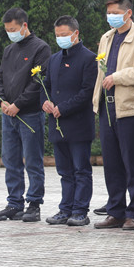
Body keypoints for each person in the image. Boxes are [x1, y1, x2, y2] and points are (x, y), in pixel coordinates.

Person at [93, 0, 134, 231]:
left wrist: (118, 77)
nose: (111, 17)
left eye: (116, 13)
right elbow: (100, 73)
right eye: (108, 13)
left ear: (128, 13)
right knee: (111, 164)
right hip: (107, 108)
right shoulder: (106, 37)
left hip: (131, 109)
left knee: (132, 164)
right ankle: (115, 211)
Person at [0, 8, 51, 223]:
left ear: (24, 25)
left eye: (13, 29)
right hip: (9, 115)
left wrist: (18, 104)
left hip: (30, 114)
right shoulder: (9, 50)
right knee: (11, 160)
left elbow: (38, 82)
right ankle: (14, 204)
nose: (10, 33)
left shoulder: (41, 48)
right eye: (7, 30)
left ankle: (34, 204)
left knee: (33, 160)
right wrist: (2, 101)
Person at [41, 16, 97, 226]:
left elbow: (87, 92)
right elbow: (45, 85)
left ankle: (80, 210)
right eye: (57, 35)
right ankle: (65, 209)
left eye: (64, 35)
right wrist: (45, 101)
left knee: (81, 170)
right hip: (57, 125)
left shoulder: (89, 58)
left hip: (78, 124)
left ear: (76, 34)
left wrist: (63, 108)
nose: (60, 39)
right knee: (64, 171)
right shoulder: (54, 59)